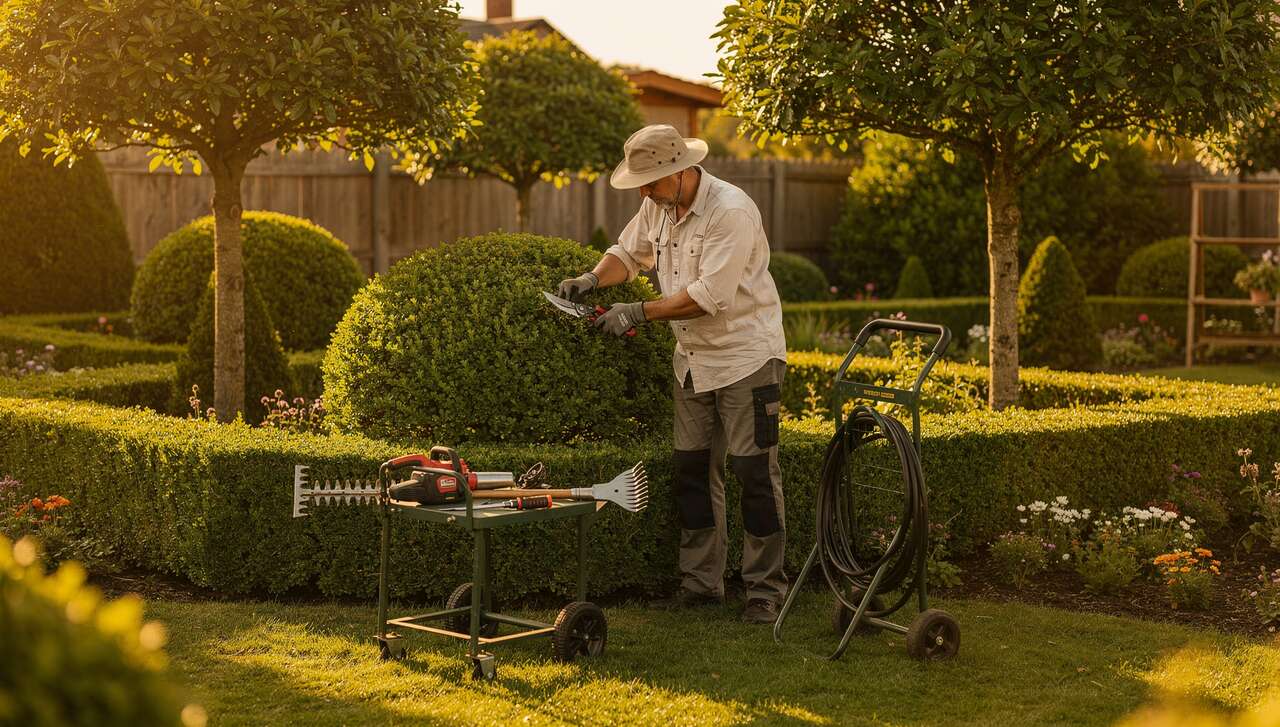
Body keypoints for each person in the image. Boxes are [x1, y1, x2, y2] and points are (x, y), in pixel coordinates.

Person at [557, 124, 788, 624]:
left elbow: (710, 297)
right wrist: (592, 278)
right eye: (639, 182)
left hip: (748, 358)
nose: (643, 190)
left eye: (651, 181)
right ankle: (702, 586)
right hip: (693, 362)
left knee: (754, 476)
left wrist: (636, 312)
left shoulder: (730, 210)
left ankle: (765, 592)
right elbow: (627, 254)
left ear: (682, 171)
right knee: (692, 472)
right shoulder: (657, 206)